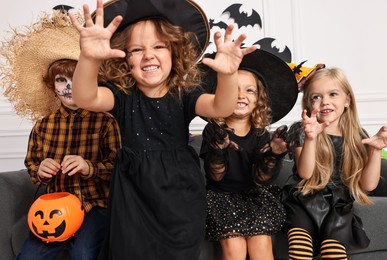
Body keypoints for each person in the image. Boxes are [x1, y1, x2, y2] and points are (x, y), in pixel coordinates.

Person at [68, 0, 256, 259]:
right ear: (125, 59)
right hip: (132, 195)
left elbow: (221, 108)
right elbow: (85, 98)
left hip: (180, 195)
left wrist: (228, 75)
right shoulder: (122, 95)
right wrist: (88, 58)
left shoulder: (185, 93)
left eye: (159, 46)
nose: (148, 55)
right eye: (136, 49)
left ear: (175, 53)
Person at [0, 9, 122, 260]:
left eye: (75, 78)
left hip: (94, 205)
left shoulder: (105, 122)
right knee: (29, 256)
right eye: (61, 80)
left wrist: (89, 167)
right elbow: (32, 166)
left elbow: (117, 167)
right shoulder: (43, 126)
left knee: (83, 254)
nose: (69, 87)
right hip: (55, 208)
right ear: (51, 85)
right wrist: (40, 168)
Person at [199, 49, 298, 260]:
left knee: (262, 246)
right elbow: (215, 176)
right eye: (233, 89)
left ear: (258, 100)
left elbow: (260, 179)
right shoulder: (213, 131)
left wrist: (273, 154)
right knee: (234, 248)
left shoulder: (262, 135)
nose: (241, 95)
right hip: (220, 199)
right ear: (221, 94)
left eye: (249, 91)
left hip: (254, 198)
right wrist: (219, 148)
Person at [282, 67, 387, 259]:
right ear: (308, 102)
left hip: (338, 206)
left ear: (347, 100)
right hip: (304, 200)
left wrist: (375, 150)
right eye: (316, 97)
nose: (325, 101)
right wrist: (310, 138)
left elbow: (368, 185)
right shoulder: (301, 130)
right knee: (300, 248)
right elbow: (306, 173)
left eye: (333, 94)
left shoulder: (358, 136)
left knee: (335, 252)